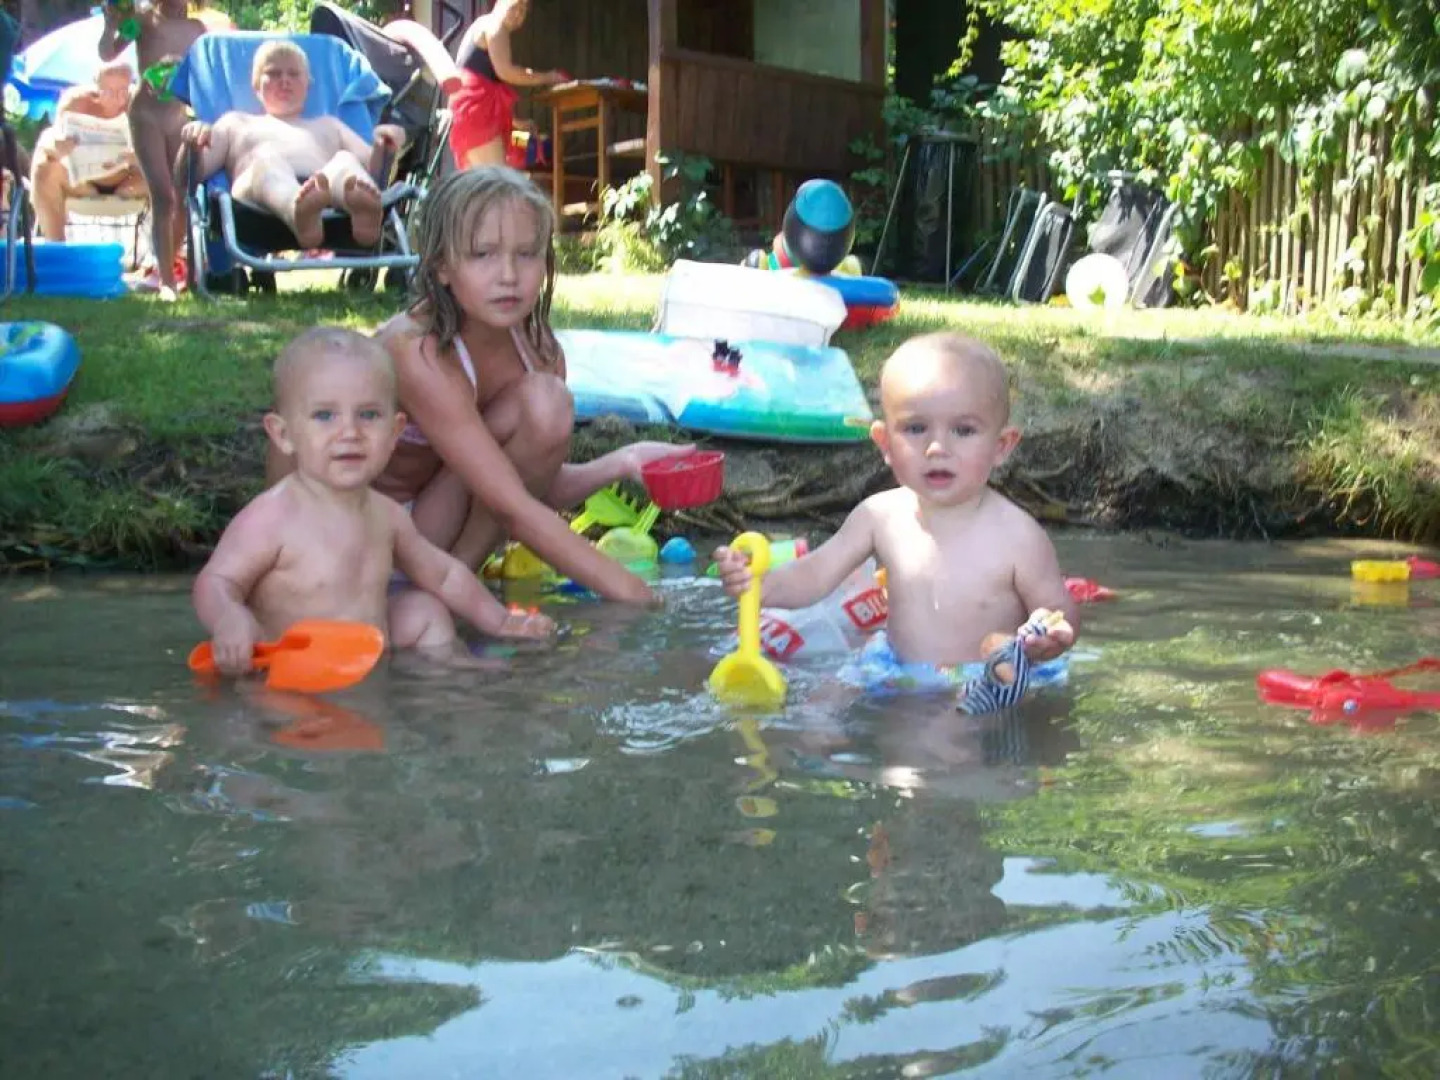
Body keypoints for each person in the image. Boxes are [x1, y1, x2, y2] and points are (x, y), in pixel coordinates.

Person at [290, 166, 684, 604]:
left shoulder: (539, 353)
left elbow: (534, 484)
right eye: (483, 255)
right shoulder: (417, 350)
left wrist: (624, 461)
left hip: (433, 531)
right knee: (532, 421)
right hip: (353, 531)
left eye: (527, 254)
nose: (508, 276)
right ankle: (441, 590)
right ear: (441, 264)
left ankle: (453, 583)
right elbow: (513, 506)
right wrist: (638, 596)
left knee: (546, 402)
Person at [713, 332, 1079, 705]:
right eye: (916, 428)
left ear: (1001, 446)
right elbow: (814, 575)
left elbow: (1057, 607)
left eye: (964, 430)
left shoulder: (1017, 535)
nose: (937, 448)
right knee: (816, 714)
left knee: (943, 746)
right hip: (893, 665)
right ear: (885, 444)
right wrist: (757, 584)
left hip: (982, 677)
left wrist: (1050, 636)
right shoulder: (879, 515)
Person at [194, 326, 555, 676]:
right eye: (324, 415)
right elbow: (217, 581)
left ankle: (453, 682)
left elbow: (443, 576)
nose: (349, 433)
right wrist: (230, 618)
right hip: (288, 669)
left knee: (424, 610)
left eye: (368, 415)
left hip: (369, 653)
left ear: (395, 432)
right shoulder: (272, 517)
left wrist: (501, 620)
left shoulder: (386, 515)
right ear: (284, 435)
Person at [180, 40, 404, 251]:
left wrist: (384, 145)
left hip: (325, 200)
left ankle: (362, 210)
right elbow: (188, 176)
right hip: (257, 209)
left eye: (294, 74)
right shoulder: (235, 123)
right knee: (267, 161)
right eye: (273, 73)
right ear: (256, 85)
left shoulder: (329, 125)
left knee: (346, 162)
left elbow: (374, 168)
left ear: (308, 84)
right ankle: (296, 211)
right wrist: (192, 146)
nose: (284, 80)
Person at [99, 0, 210, 299]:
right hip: (146, 115)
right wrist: (111, 25)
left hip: (178, 116)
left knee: (184, 194)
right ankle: (166, 282)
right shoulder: (144, 21)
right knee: (162, 195)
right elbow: (107, 52)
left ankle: (170, 266)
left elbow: (206, 75)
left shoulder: (197, 30)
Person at [29, 60, 146, 241]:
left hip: (129, 181)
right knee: (43, 168)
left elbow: (162, 152)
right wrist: (58, 148)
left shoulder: (140, 104)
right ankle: (56, 248)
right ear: (96, 88)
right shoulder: (76, 102)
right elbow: (50, 141)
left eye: (123, 91)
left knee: (169, 176)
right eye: (109, 92)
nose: (117, 99)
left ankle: (164, 258)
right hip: (84, 182)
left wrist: (139, 157)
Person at [447, 0, 566, 168]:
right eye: (514, 7)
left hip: (470, 112)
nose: (518, 14)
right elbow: (506, 71)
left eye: (523, 10)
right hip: (476, 113)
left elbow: (489, 77)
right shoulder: (495, 26)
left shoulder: (483, 24)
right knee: (494, 180)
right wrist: (549, 77)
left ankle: (541, 147)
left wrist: (517, 123)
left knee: (483, 181)